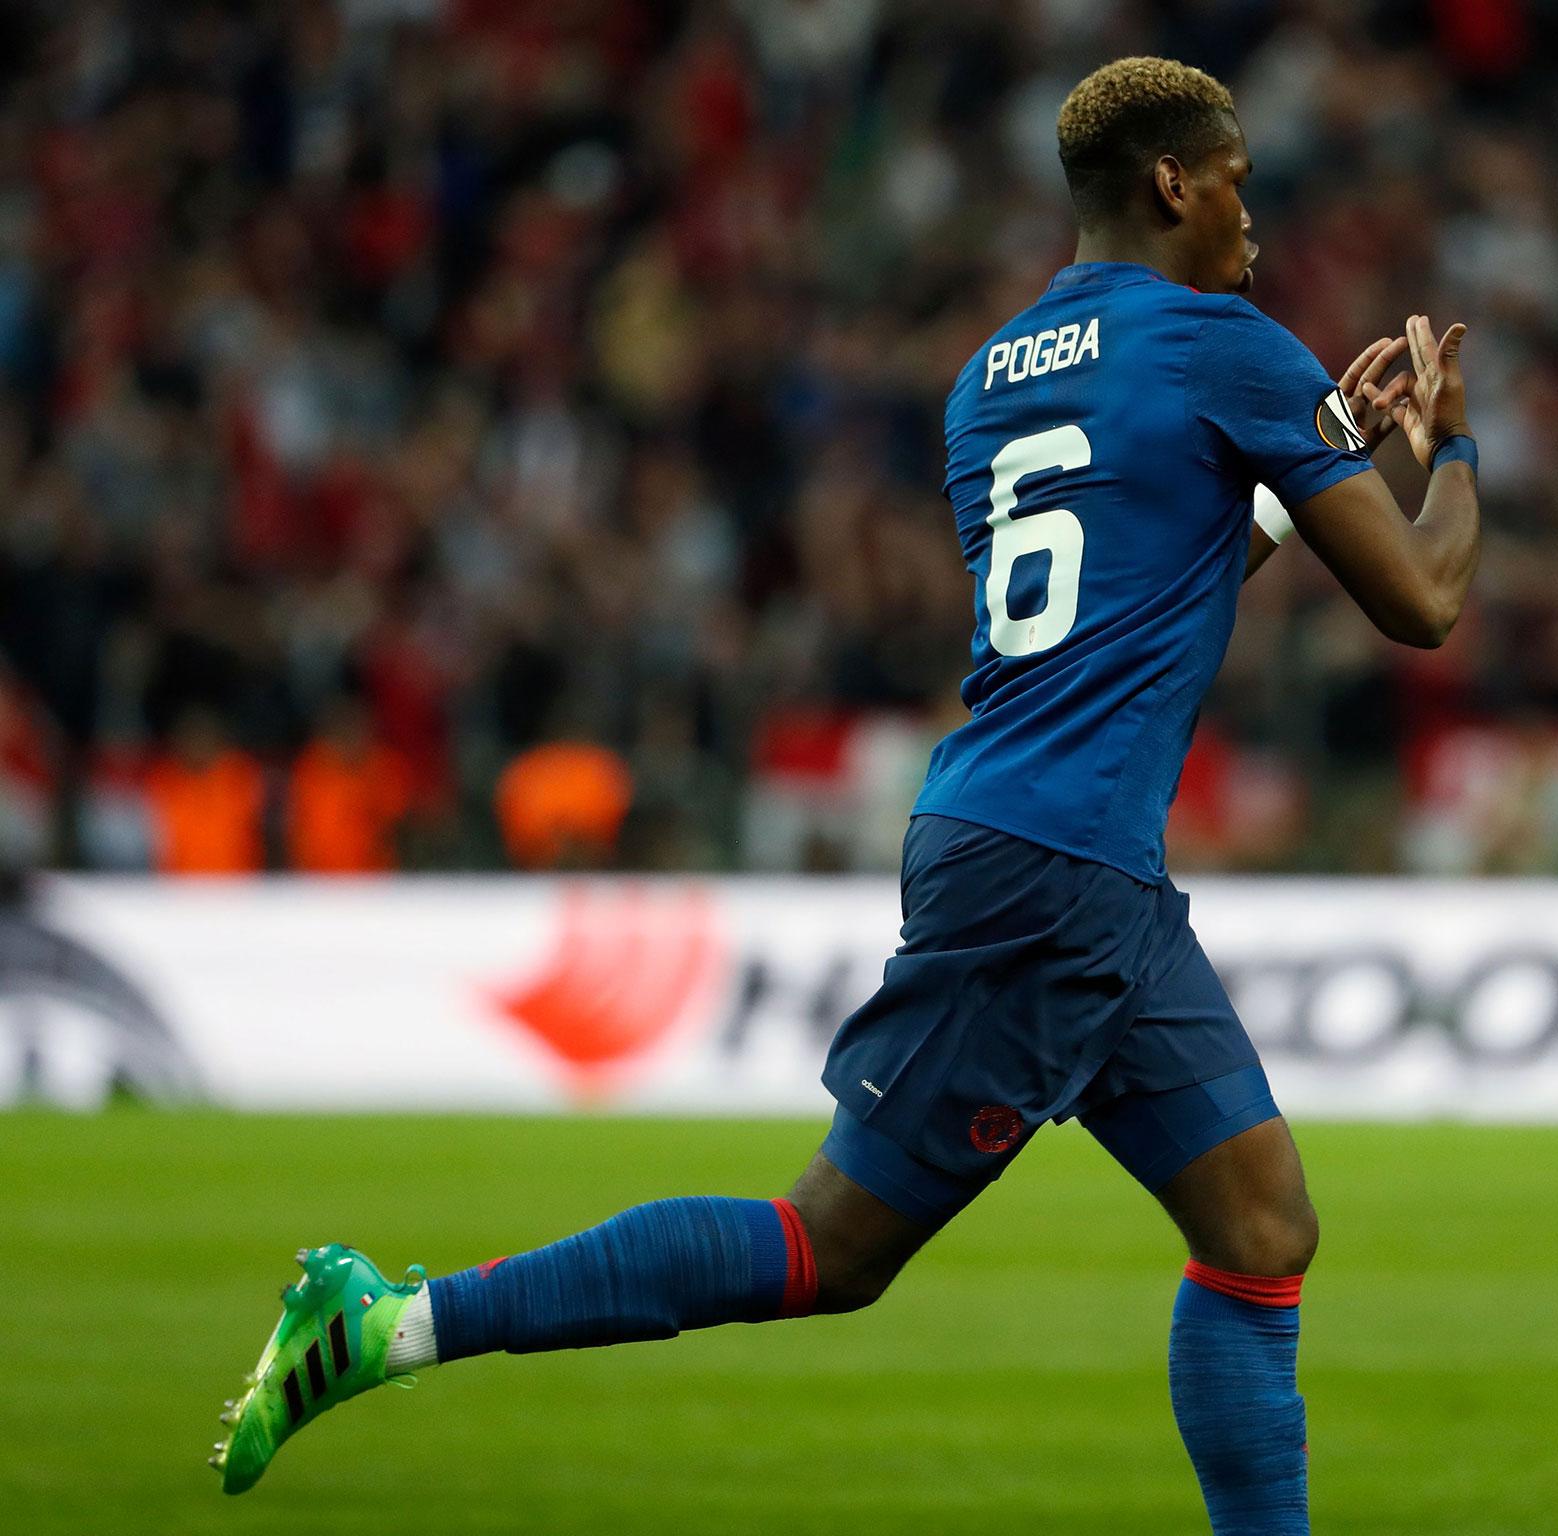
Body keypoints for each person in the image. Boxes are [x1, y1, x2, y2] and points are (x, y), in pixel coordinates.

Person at [208, 57, 1481, 1534]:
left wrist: (1299, 460)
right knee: (830, 1247)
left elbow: (1135, 588)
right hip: (1059, 871)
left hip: (1045, 848)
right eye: (1243, 178)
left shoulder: (989, 380)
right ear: (1173, 184)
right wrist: (1442, 441)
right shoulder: (1229, 344)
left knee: (1262, 1224)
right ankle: (388, 1326)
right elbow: (1427, 604)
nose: (1259, 211)